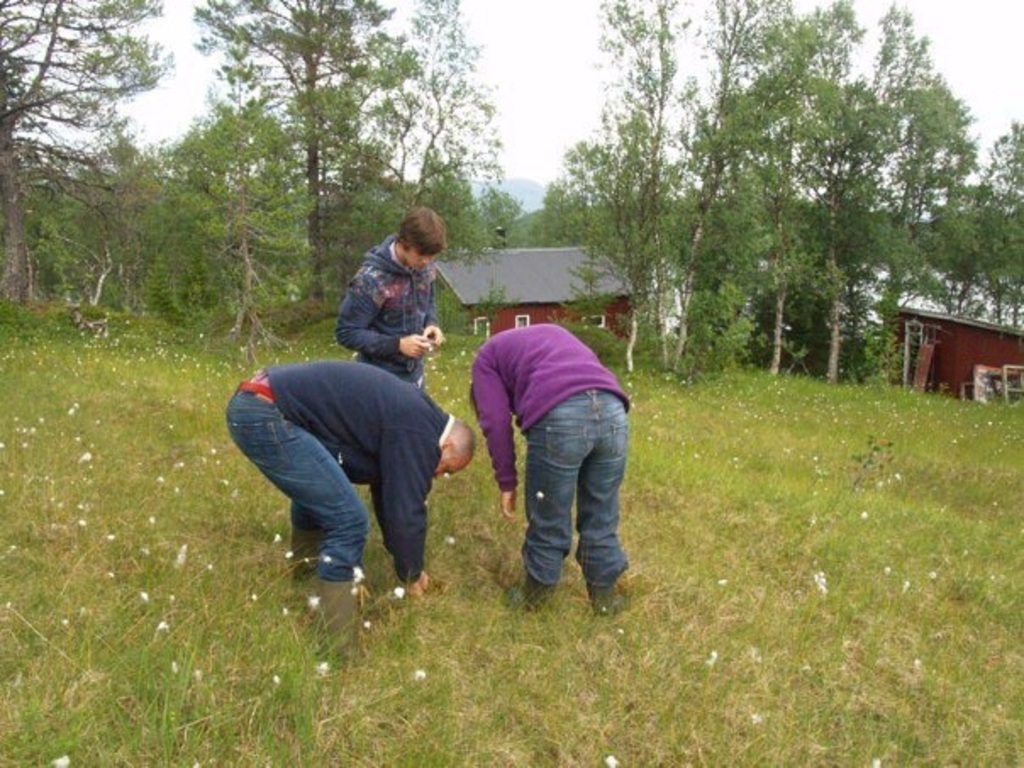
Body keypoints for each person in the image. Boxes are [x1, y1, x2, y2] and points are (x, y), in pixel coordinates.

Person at [226, 361, 475, 657]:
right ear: (447, 446)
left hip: (258, 403)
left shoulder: (416, 416)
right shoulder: (419, 430)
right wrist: (411, 573)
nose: (438, 475)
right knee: (349, 521)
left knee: (325, 497)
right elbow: (405, 511)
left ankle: (304, 579)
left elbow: (390, 496)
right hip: (266, 413)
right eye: (446, 469)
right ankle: (338, 648)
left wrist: (402, 557)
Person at [469, 324, 631, 615]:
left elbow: (495, 421)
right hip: (614, 410)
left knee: (549, 516)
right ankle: (604, 602)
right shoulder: (551, 335)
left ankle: (535, 603)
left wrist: (507, 482)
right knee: (602, 513)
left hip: (561, 416)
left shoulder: (486, 358)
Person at [335, 207, 448, 388]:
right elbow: (346, 332)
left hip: (415, 378)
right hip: (377, 382)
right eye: (421, 255)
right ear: (404, 244)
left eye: (432, 256)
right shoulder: (371, 279)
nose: (427, 261)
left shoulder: (425, 267)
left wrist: (431, 324)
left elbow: (428, 301)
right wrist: (398, 345)